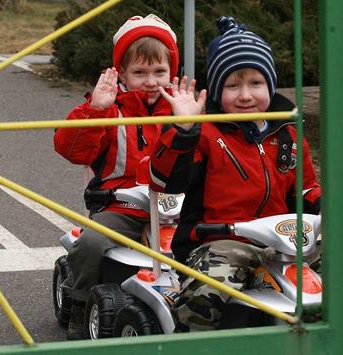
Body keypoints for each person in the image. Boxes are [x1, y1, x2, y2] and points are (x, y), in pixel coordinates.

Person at [150, 16, 321, 331]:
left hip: (287, 242)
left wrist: (323, 206)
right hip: (220, 240)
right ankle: (195, 341)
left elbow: (305, 189)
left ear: (270, 85)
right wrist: (183, 130)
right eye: (233, 85)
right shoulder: (205, 133)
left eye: (256, 83)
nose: (245, 95)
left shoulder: (288, 133)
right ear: (216, 91)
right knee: (207, 294)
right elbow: (165, 181)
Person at [53, 14, 189, 339]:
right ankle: (79, 301)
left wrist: (190, 125)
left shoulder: (182, 110)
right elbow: (72, 150)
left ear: (172, 72)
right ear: (123, 75)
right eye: (140, 73)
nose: (151, 80)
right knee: (91, 242)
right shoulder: (110, 111)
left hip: (178, 210)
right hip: (122, 208)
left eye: (159, 72)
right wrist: (96, 112)